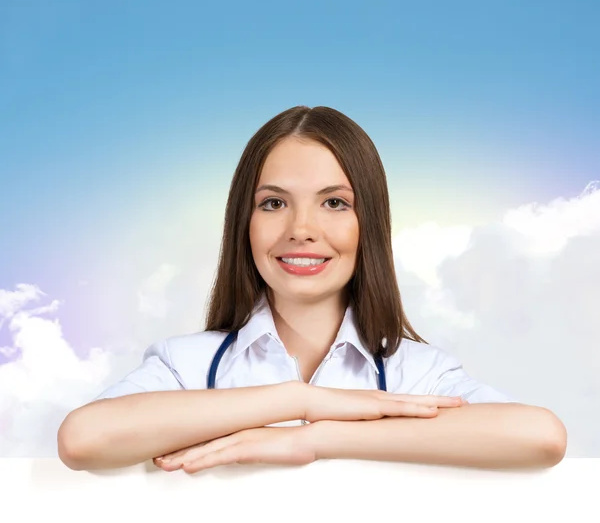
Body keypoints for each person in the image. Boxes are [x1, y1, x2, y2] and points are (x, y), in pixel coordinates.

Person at [57, 106, 567, 473]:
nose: (301, 229)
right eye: (274, 203)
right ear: (245, 223)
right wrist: (300, 399)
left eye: (334, 203)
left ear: (369, 224)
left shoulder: (418, 373)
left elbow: (539, 437)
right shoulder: (187, 364)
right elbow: (84, 440)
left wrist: (316, 437)